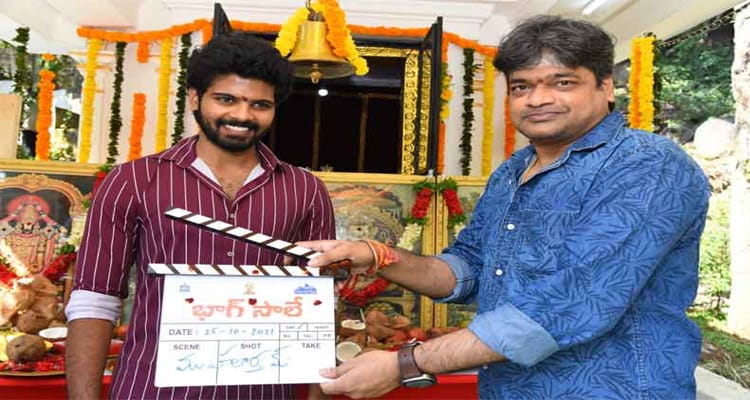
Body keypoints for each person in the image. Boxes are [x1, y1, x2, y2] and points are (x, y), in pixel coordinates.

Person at [301, 15, 711, 399]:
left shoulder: (646, 164)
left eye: (563, 82)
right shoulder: (513, 172)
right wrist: (377, 255)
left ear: (606, 87)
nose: (538, 99)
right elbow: (468, 268)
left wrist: (405, 363)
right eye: (521, 87)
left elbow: (571, 301)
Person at [65, 31, 336, 399]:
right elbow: (94, 299)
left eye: (260, 105)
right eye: (226, 99)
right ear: (194, 97)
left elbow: (319, 304)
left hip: (262, 391)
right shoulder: (133, 181)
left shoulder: (305, 190)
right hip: (151, 390)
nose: (242, 115)